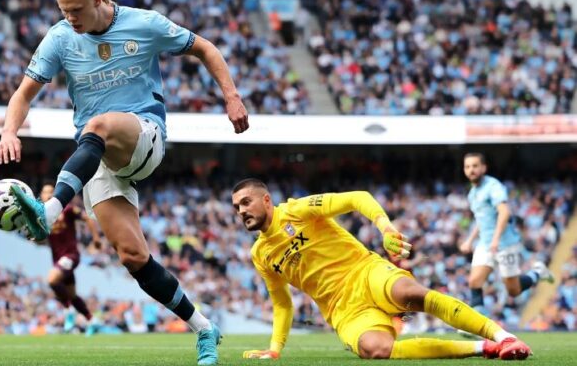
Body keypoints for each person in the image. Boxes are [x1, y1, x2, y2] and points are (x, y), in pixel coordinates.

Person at [0, 0, 248, 364]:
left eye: (76, 10)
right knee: (133, 257)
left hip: (144, 136)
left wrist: (231, 97)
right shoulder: (61, 36)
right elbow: (23, 93)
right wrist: (9, 131)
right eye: (63, 11)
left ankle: (48, 211)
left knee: (97, 126)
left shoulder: (144, 24)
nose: (69, 18)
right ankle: (205, 328)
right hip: (97, 156)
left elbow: (206, 48)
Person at [231, 178, 532, 361]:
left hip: (364, 271)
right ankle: (485, 348)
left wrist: (384, 227)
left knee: (408, 293)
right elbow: (282, 303)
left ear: (266, 200)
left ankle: (503, 336)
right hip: (342, 309)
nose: (242, 211)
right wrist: (275, 348)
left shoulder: (296, 210)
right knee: (376, 350)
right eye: (237, 207)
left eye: (246, 202)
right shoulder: (260, 254)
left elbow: (356, 198)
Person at [460, 153, 554, 318]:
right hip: (485, 243)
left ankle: (538, 272)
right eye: (468, 167)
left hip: (505, 243)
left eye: (475, 166)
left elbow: (504, 212)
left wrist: (496, 239)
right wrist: (469, 240)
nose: (471, 170)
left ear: (483, 168)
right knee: (474, 281)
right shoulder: (472, 193)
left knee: (514, 290)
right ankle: (476, 323)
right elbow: (481, 220)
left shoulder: (493, 186)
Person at [39, 183, 101, 334]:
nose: (48, 195)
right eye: (45, 192)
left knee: (52, 280)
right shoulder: (42, 217)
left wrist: (96, 238)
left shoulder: (66, 209)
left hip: (71, 256)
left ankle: (68, 310)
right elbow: (40, 241)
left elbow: (86, 218)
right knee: (72, 295)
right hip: (58, 259)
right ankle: (91, 320)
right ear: (41, 196)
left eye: (51, 192)